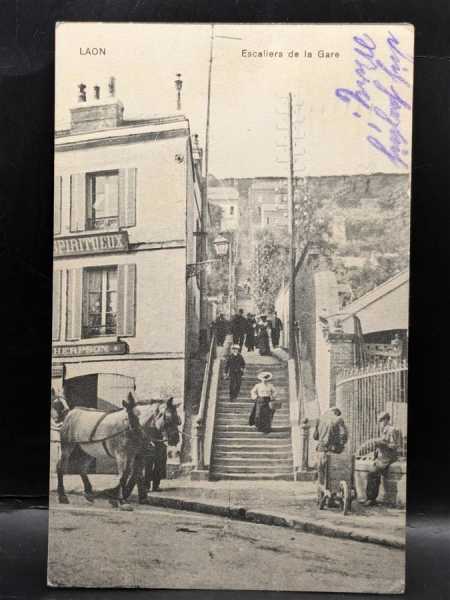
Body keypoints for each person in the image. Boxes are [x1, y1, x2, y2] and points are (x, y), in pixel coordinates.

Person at [364, 411, 402, 506]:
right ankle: (371, 498)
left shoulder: (392, 430)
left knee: (372, 473)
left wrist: (381, 443)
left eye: (380, 420)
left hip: (388, 458)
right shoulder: (384, 429)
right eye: (378, 421)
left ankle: (371, 499)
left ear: (386, 420)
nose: (379, 423)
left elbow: (395, 446)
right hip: (382, 457)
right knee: (372, 473)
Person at [313, 407, 349, 497]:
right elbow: (344, 435)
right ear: (336, 413)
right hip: (333, 452)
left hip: (321, 450)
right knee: (334, 473)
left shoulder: (320, 419)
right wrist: (341, 445)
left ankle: (322, 493)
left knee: (321, 472)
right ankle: (332, 493)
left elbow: (315, 436)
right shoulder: (338, 419)